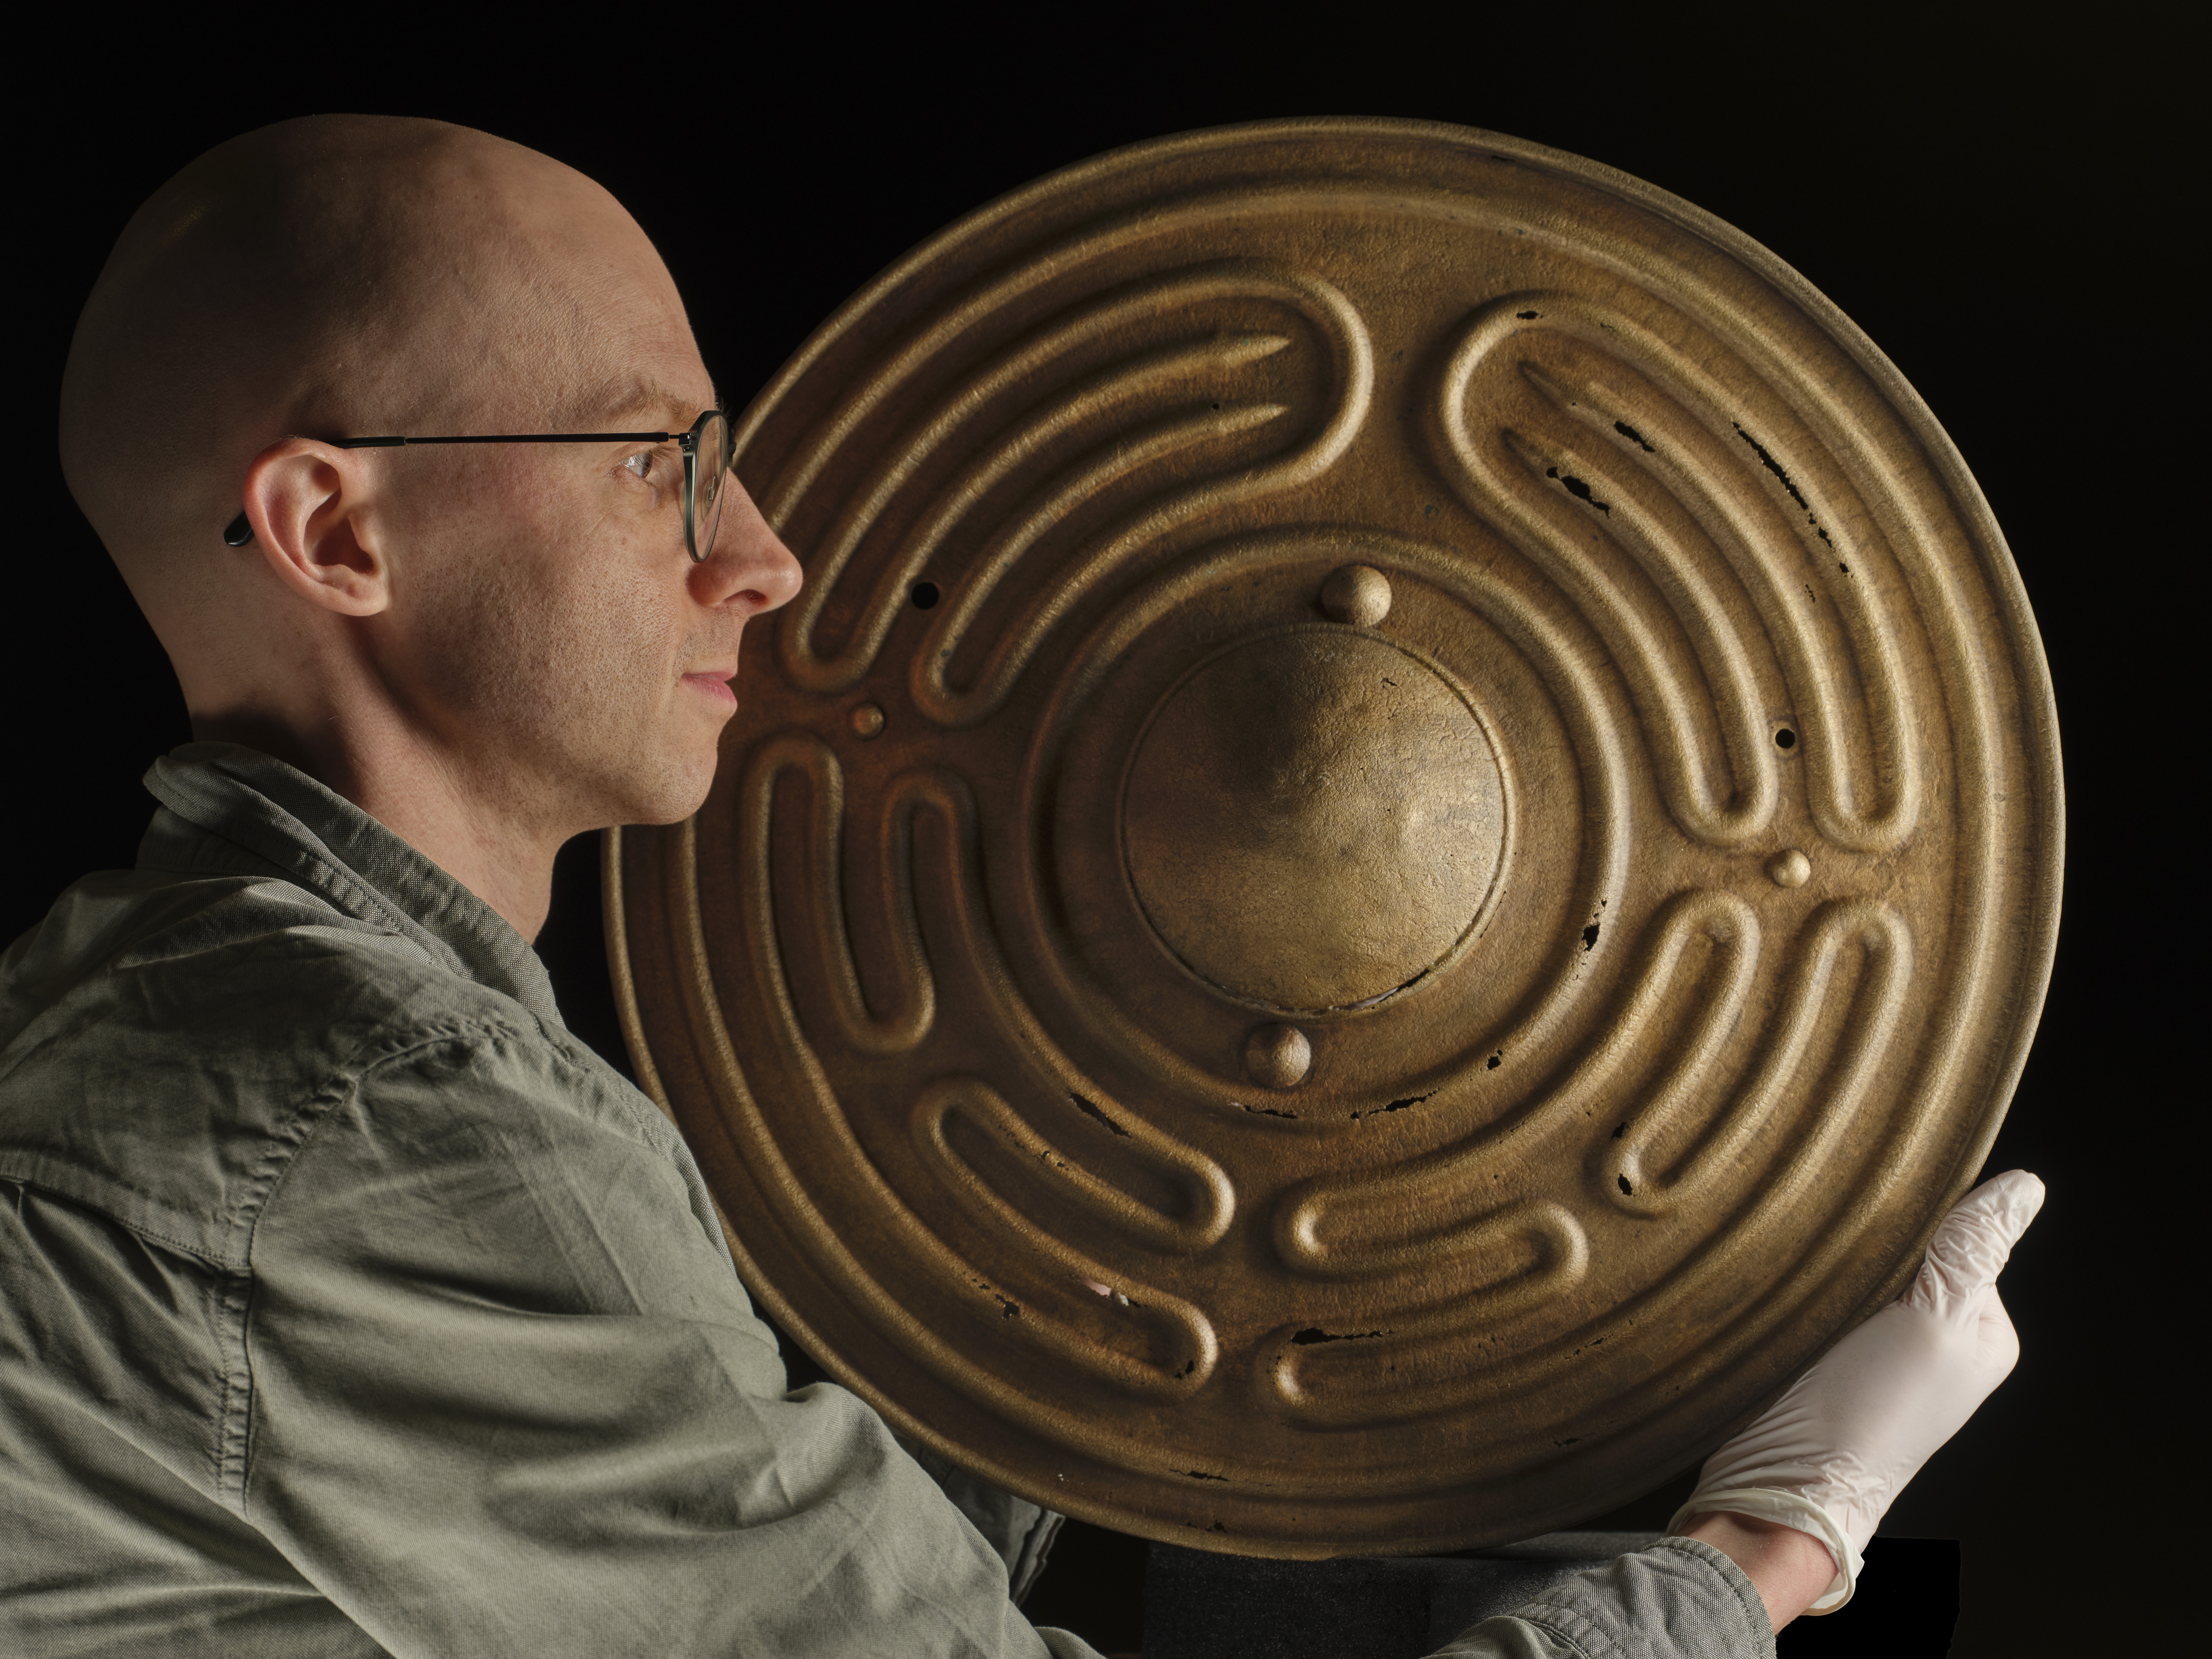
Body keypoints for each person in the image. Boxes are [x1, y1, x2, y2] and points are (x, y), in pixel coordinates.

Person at [0, 114, 2041, 1657]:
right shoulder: (359, 1126)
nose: (762, 555)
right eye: (658, 464)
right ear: (334, 533)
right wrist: (1764, 1561)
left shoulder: (215, 1019)